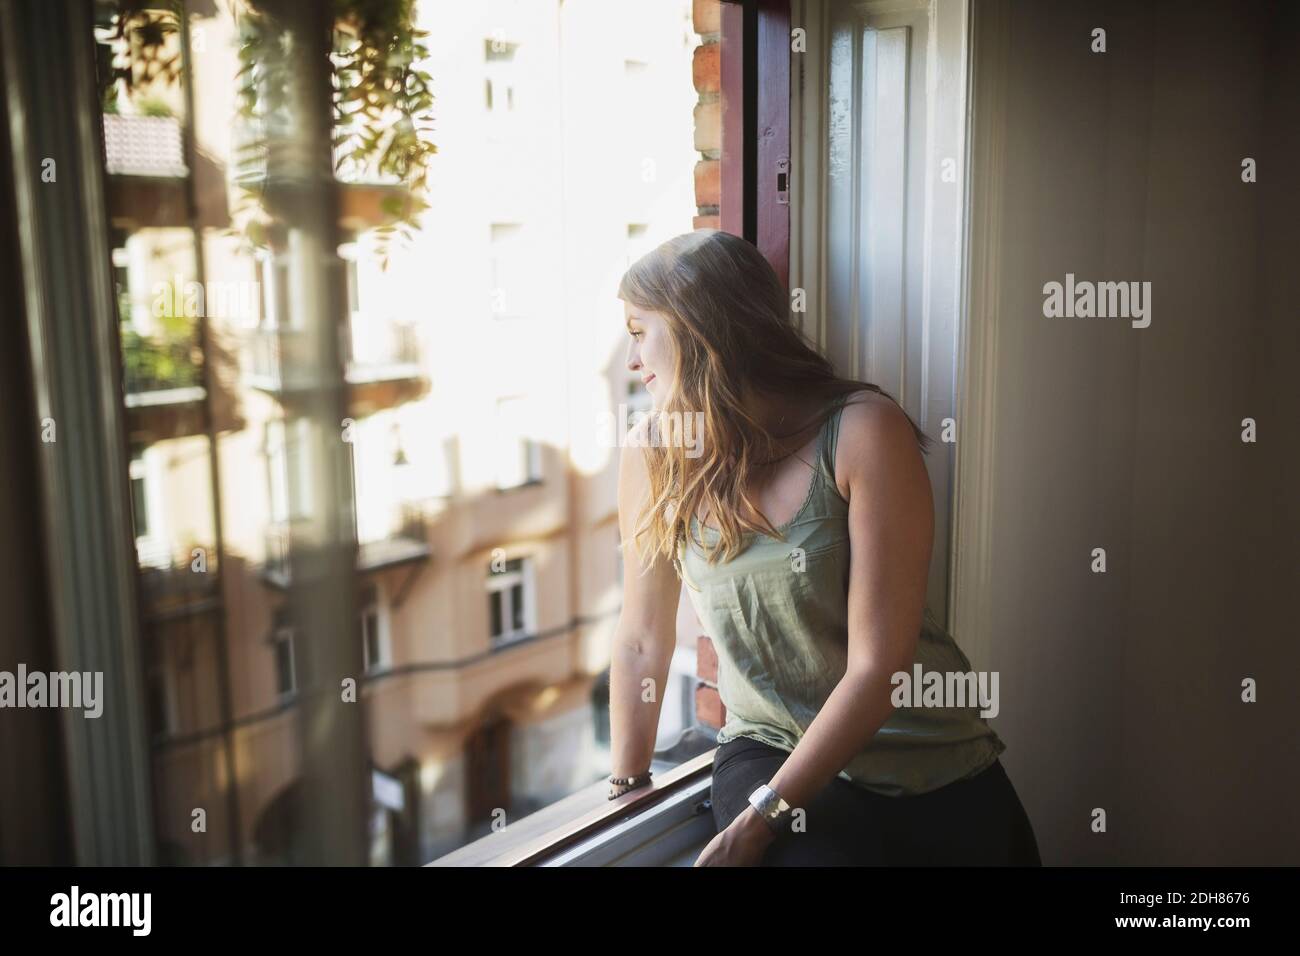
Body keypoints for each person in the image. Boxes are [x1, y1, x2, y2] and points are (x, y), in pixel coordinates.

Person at [606, 228, 1041, 867]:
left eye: (639, 331)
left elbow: (878, 667)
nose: (631, 359)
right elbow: (642, 636)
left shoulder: (862, 431)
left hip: (927, 758)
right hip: (770, 745)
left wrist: (760, 821)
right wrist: (626, 789)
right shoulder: (652, 455)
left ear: (700, 329)